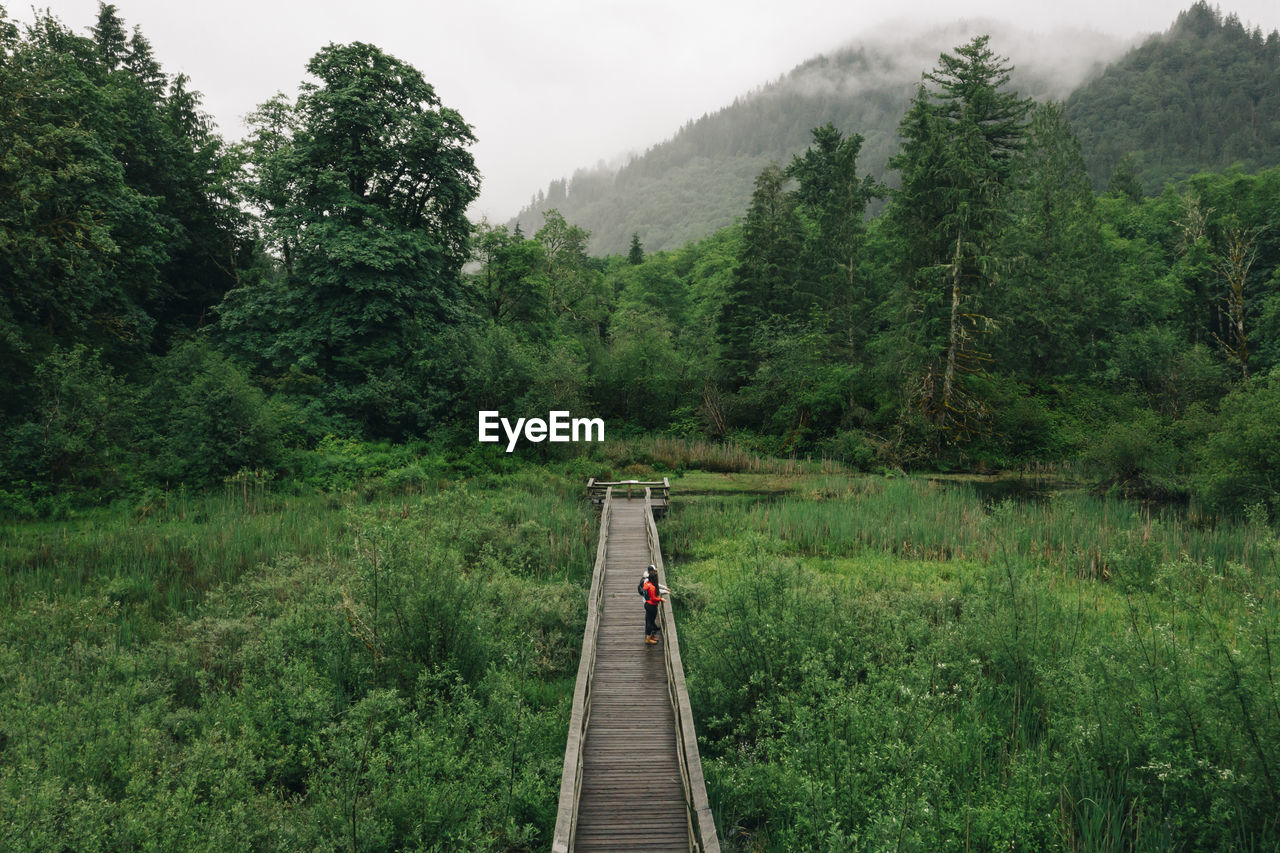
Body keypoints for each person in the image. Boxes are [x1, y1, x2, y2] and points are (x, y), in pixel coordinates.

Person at [642, 564, 668, 645]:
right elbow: (653, 598)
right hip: (651, 605)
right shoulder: (652, 587)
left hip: (647, 604)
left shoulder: (647, 584)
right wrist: (661, 599)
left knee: (649, 620)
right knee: (650, 621)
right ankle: (648, 639)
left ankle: (650, 636)